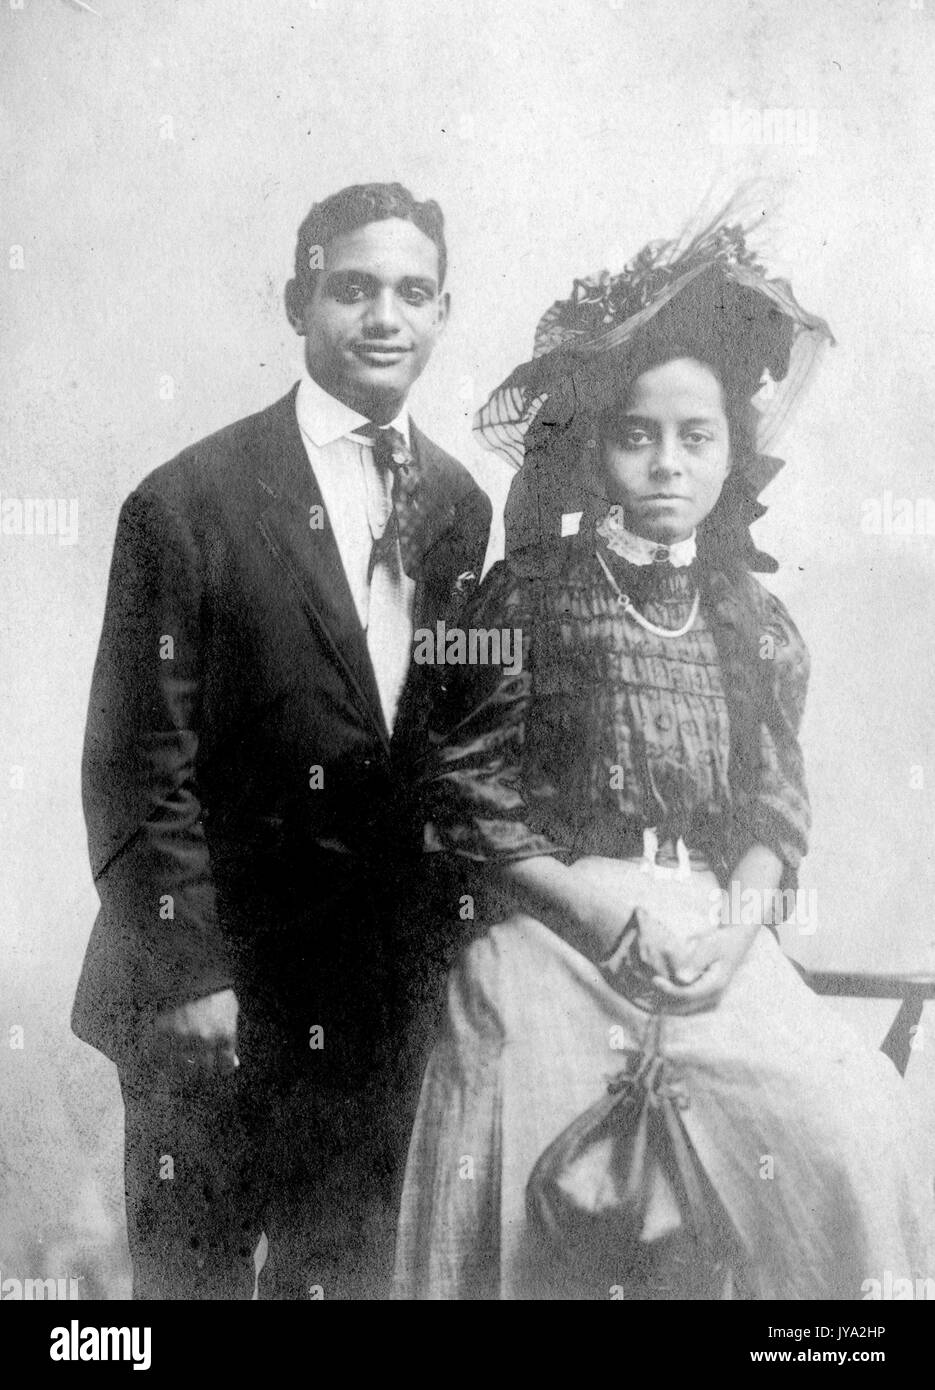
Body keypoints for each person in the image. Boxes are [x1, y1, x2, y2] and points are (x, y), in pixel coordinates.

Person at [393, 208, 935, 1299]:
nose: (665, 465)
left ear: (733, 453)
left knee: (849, 1127)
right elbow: (466, 802)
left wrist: (732, 942)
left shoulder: (751, 621)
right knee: (512, 1122)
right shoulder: (525, 596)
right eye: (636, 434)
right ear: (594, 445)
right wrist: (598, 916)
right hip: (550, 921)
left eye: (696, 438)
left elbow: (772, 823)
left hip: (707, 933)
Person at [71, 182, 492, 1300]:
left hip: (369, 999)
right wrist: (191, 971)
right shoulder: (188, 500)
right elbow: (135, 765)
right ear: (298, 300)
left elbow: (439, 746)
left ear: (445, 311)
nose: (382, 317)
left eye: (411, 292)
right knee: (193, 1284)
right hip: (212, 990)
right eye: (352, 288)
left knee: (346, 1278)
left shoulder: (459, 505)